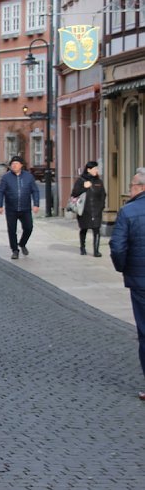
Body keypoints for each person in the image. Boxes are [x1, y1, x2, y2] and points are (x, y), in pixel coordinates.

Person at [109, 167, 145, 401]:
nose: (129, 189)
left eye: (132, 185)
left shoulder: (128, 211)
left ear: (140, 187)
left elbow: (118, 247)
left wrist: (124, 268)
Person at [0, 156, 40, 260]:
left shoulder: (28, 177)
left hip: (25, 208)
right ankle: (15, 250)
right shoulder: (6, 178)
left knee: (29, 227)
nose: (14, 165)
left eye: (16, 163)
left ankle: (22, 243)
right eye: (12, 164)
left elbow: (35, 191)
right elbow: (0, 191)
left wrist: (36, 204)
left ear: (21, 165)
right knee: (12, 230)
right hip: (11, 208)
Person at [71, 161, 106, 257]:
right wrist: (84, 187)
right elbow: (74, 194)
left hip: (96, 211)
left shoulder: (99, 181)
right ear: (89, 169)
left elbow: (103, 195)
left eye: (97, 168)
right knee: (84, 229)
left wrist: (102, 206)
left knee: (96, 230)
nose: (96, 170)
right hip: (84, 210)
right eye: (95, 168)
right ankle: (82, 247)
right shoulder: (81, 180)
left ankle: (96, 251)